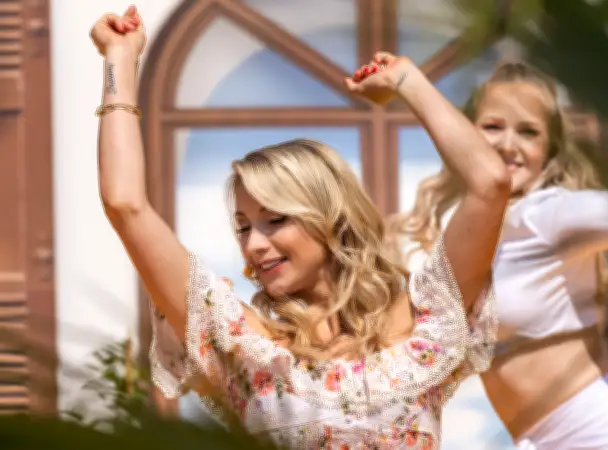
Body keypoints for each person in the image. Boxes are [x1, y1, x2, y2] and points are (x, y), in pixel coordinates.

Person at [90, 6, 511, 449]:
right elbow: (125, 205)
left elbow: (490, 183)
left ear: (330, 219)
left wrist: (407, 80)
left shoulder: (423, 328)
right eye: (243, 228)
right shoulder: (246, 348)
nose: (254, 244)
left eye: (275, 220)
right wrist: (119, 58)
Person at [392, 61, 608, 449]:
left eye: (528, 132)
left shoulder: (548, 215)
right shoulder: (469, 238)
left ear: (548, 151)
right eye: (493, 126)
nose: (508, 144)